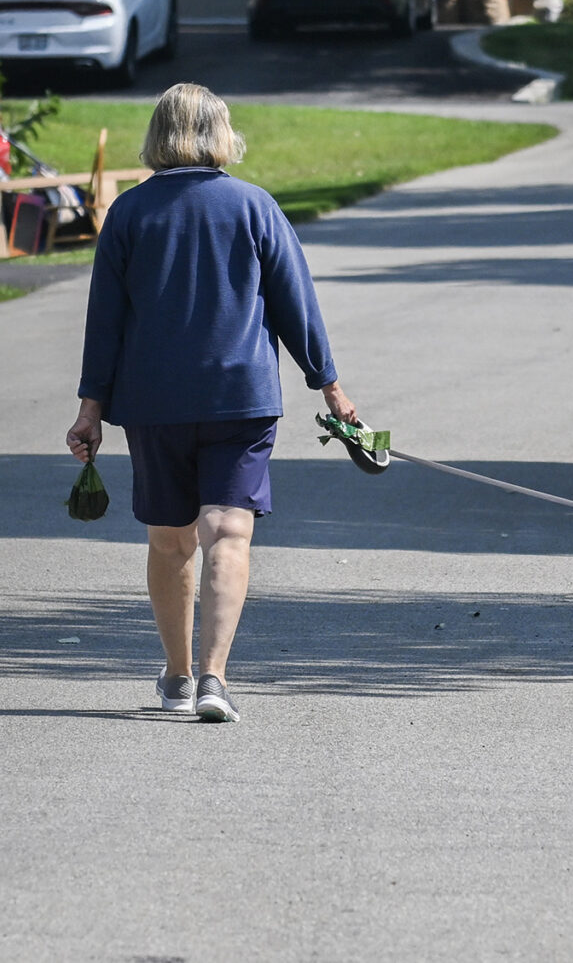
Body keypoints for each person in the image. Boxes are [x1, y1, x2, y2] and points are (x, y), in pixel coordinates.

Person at [66, 82, 362, 723]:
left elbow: (105, 322)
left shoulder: (130, 213)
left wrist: (91, 407)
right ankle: (213, 680)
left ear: (157, 137)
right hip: (240, 399)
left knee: (172, 542)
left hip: (154, 401)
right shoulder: (255, 206)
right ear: (221, 134)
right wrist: (330, 388)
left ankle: (176, 675)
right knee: (228, 532)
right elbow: (296, 307)